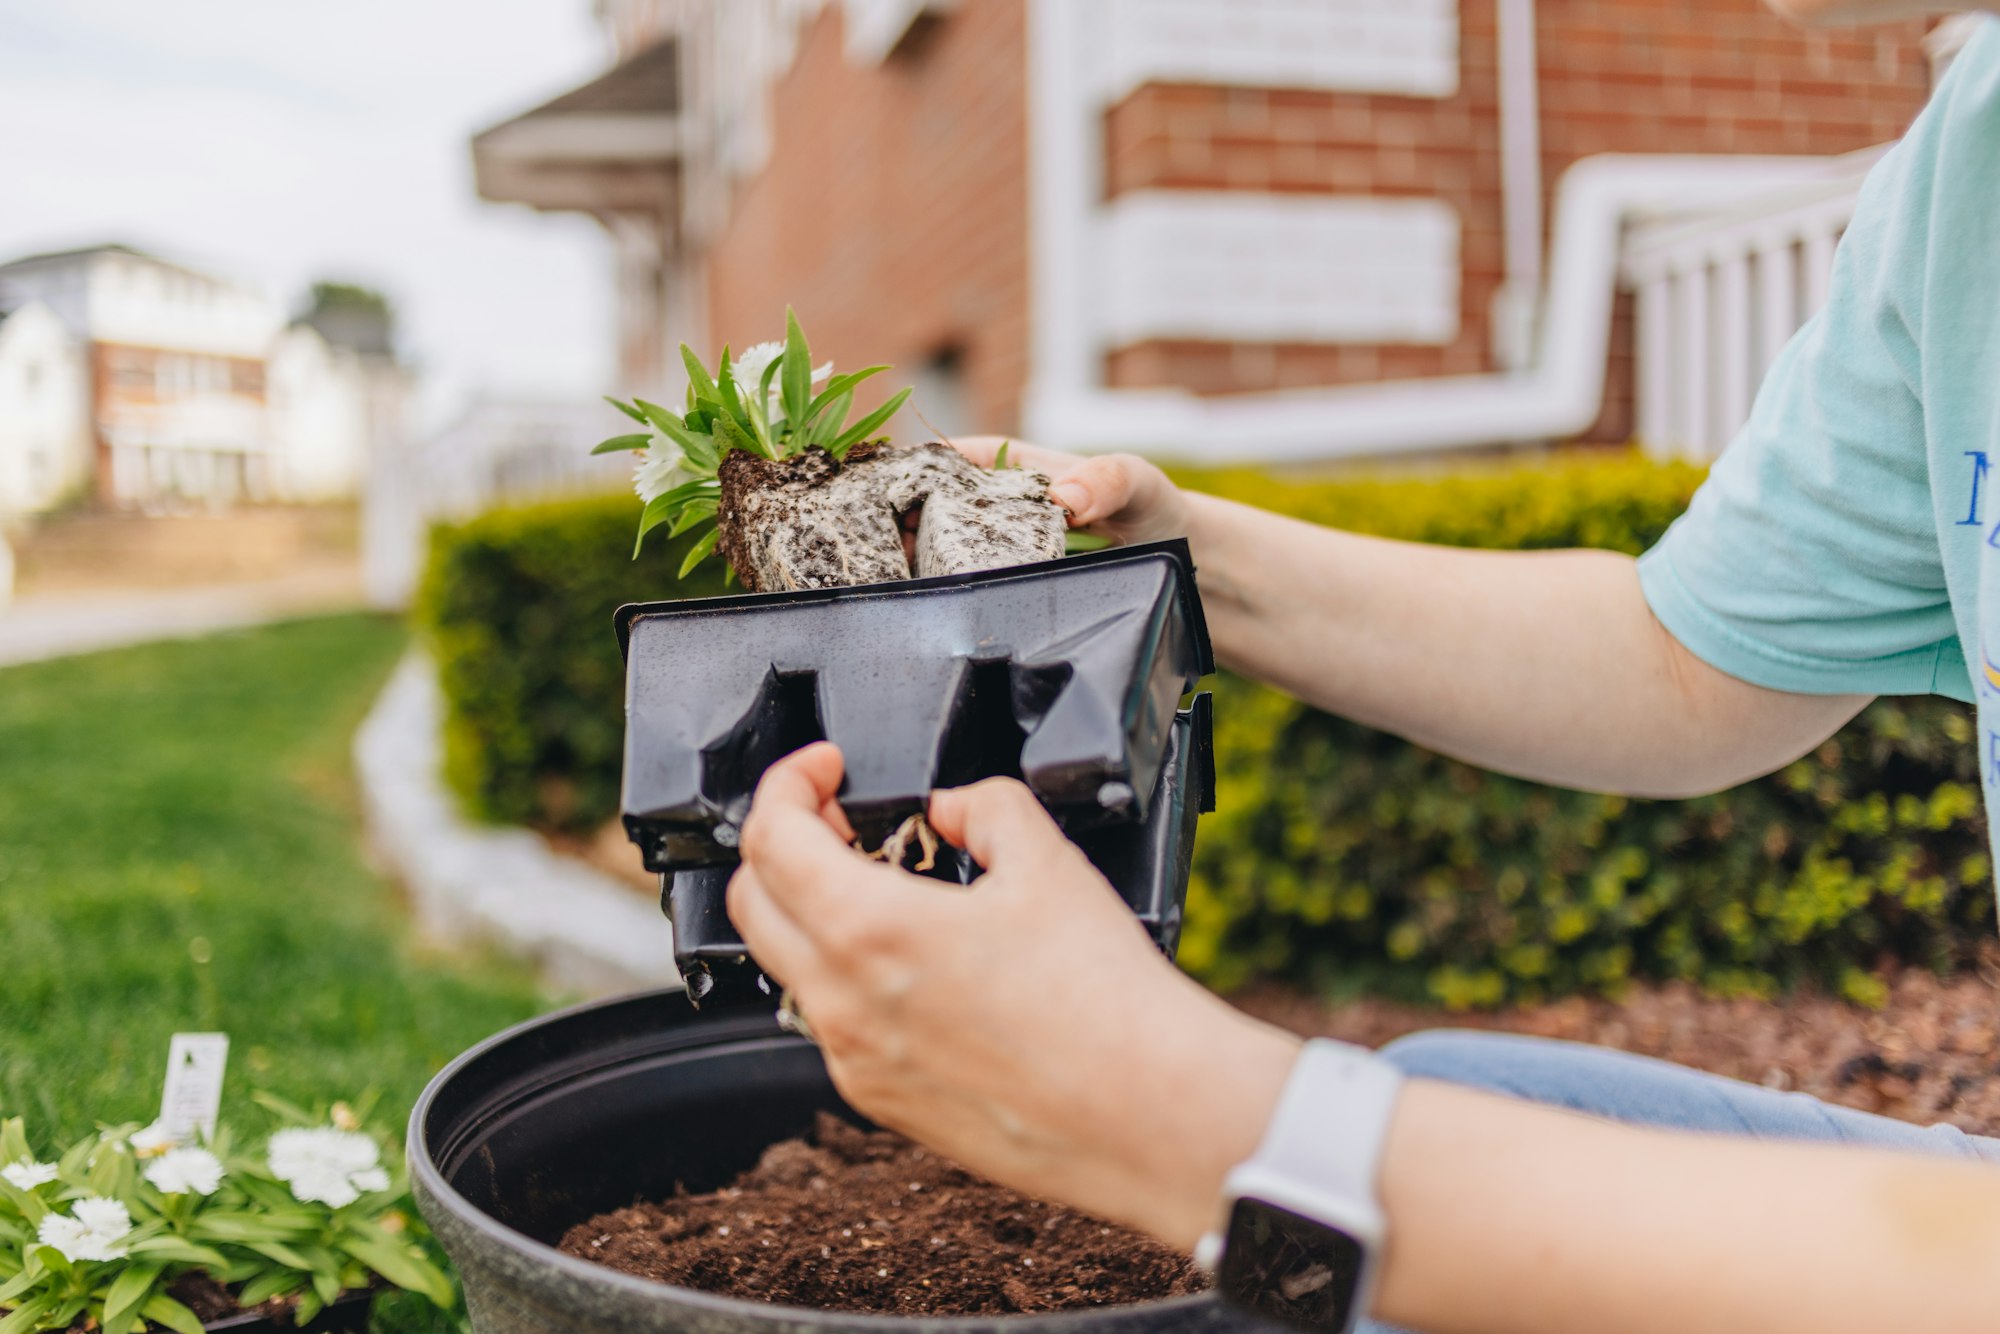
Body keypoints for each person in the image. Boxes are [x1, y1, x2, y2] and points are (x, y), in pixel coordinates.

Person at [726, 2, 2000, 1329]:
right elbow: (1687, 659)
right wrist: (1174, 560)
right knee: (1445, 1115)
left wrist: (1180, 1112)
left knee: (1355, 1235)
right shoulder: (1967, 173)